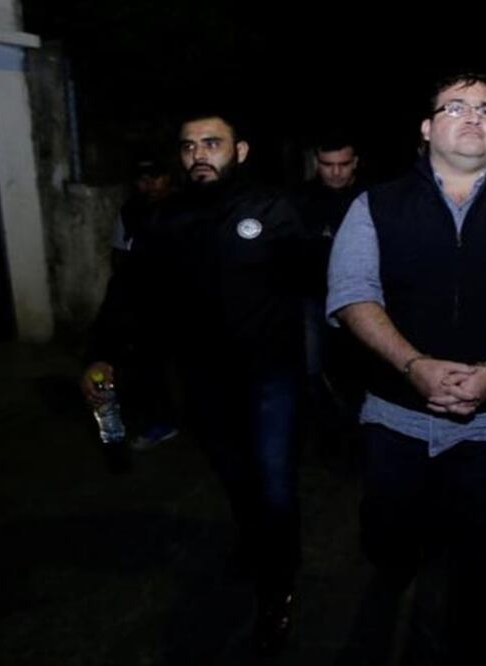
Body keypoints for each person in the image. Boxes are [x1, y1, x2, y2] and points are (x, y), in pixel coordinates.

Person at [327, 72, 486, 665]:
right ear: (426, 127)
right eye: (457, 107)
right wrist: (412, 364)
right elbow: (351, 293)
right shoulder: (377, 205)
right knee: (393, 543)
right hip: (399, 420)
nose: (474, 117)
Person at [82, 111, 310, 656]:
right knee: (236, 479)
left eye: (212, 143)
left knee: (274, 486)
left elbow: (316, 281)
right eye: (188, 147)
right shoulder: (166, 220)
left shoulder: (274, 210)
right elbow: (130, 293)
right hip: (206, 380)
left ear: (241, 150)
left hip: (270, 381)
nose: (198, 155)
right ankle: (255, 542)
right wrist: (102, 356)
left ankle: (276, 590)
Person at [292, 134, 365, 433]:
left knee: (359, 368)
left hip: (361, 300)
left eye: (343, 164)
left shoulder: (370, 197)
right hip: (313, 298)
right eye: (328, 164)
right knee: (312, 369)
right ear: (316, 163)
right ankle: (328, 431)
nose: (336, 172)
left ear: (355, 163)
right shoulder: (299, 199)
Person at [107, 155, 179, 451]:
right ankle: (161, 422)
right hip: (146, 303)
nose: (149, 184)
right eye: (143, 178)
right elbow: (120, 255)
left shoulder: (186, 208)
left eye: (156, 177)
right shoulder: (130, 212)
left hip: (186, 300)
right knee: (149, 364)